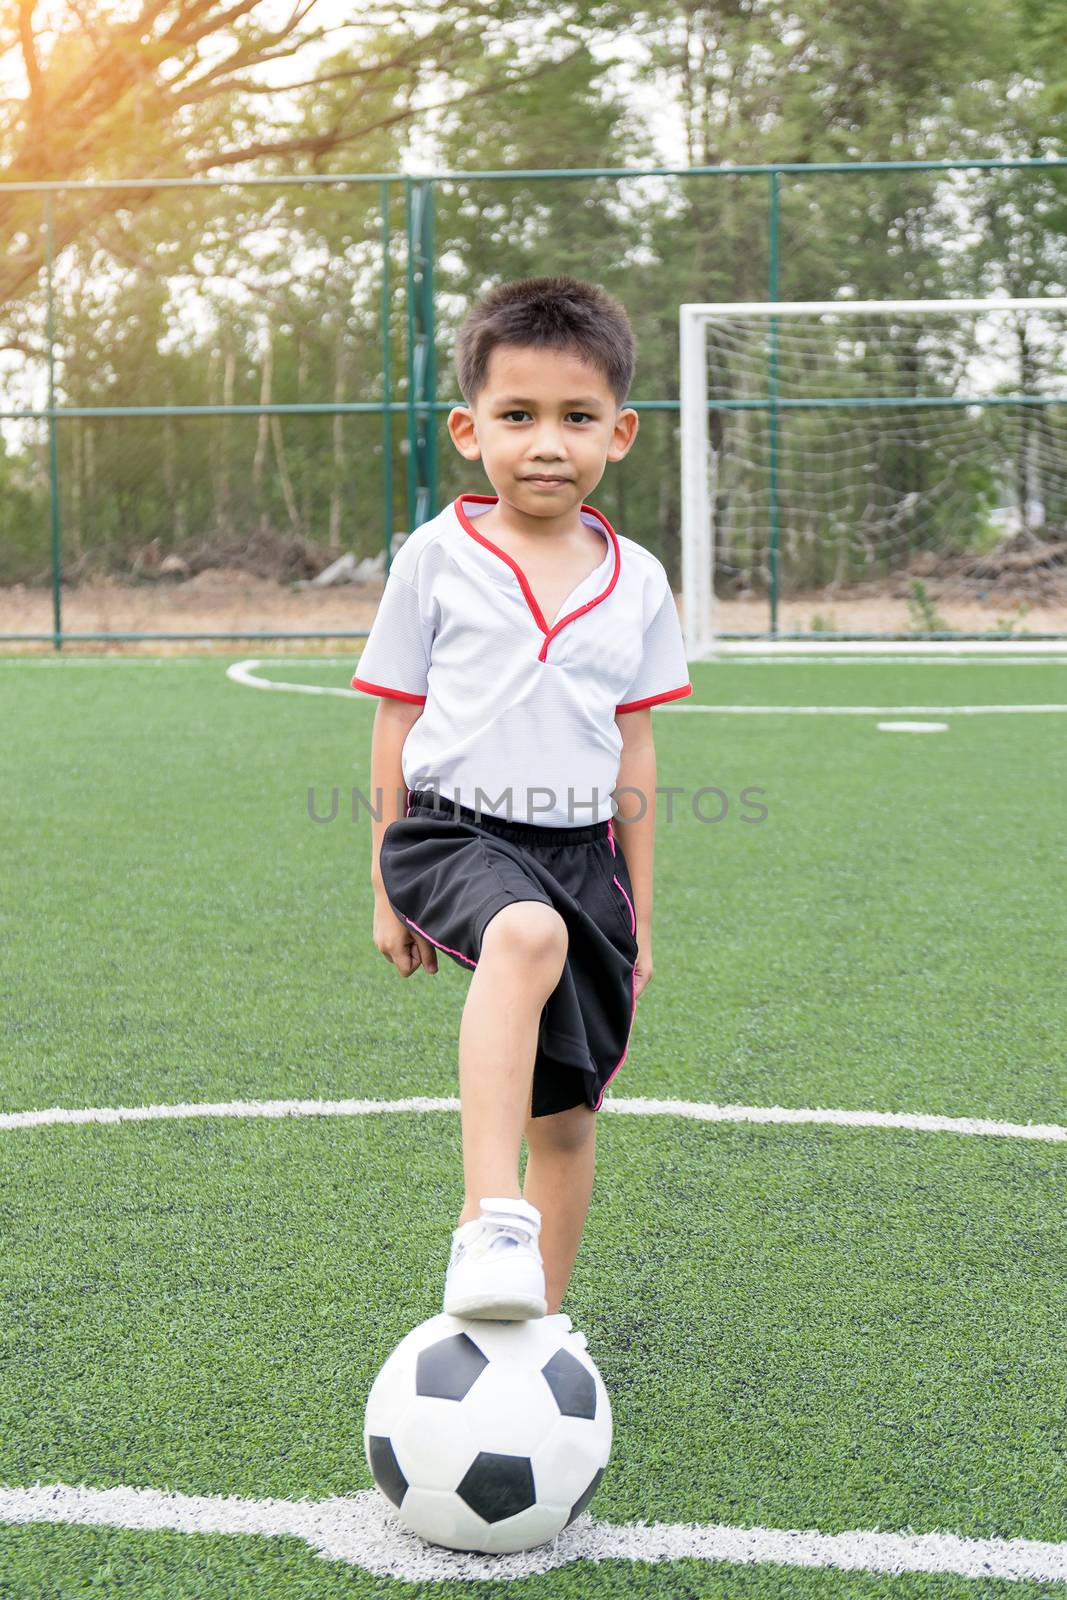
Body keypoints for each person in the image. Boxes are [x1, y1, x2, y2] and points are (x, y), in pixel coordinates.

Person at [354, 274, 691, 1323]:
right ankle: (487, 1217)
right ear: (469, 429)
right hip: (449, 834)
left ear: (620, 434)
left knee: (570, 1120)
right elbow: (394, 721)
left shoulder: (636, 579)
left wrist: (638, 910)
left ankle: (535, 1328)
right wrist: (381, 887)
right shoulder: (434, 559)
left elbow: (632, 748)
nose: (547, 443)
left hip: (582, 854)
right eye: (517, 416)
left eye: (576, 418)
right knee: (525, 932)